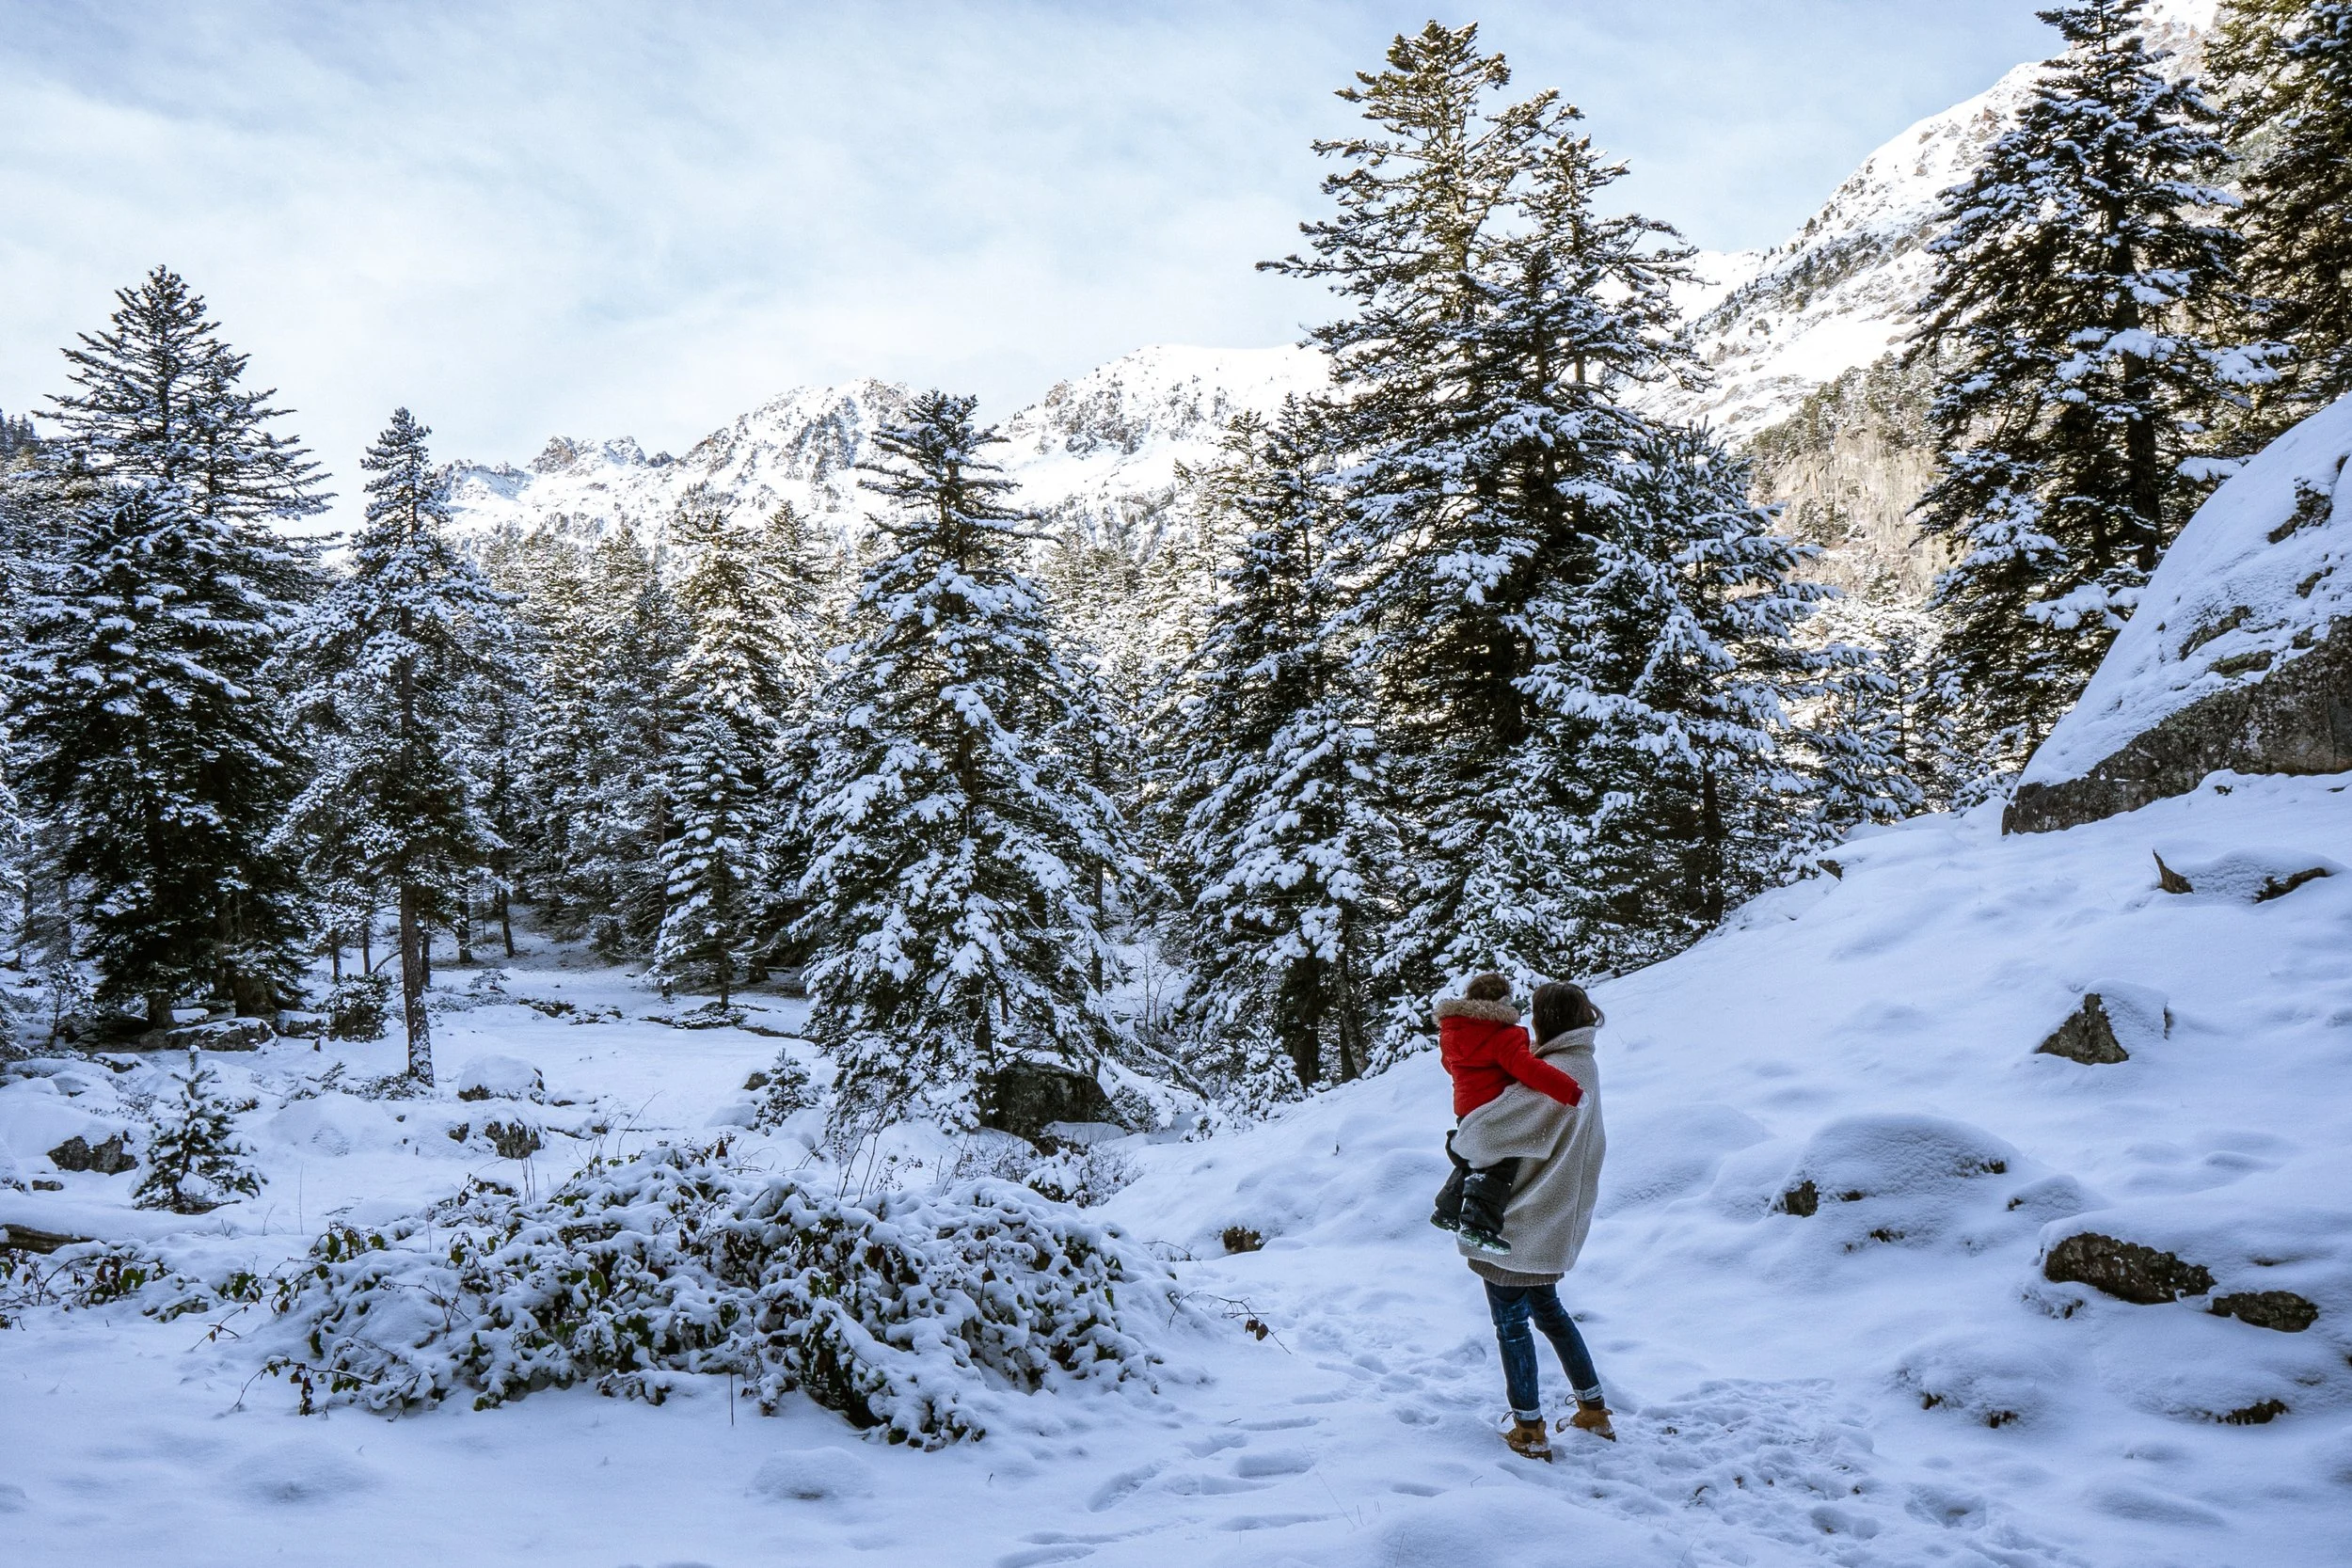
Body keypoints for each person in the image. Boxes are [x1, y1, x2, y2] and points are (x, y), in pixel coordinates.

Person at [1451, 979, 1613, 1462]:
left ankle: (1528, 1428)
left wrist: (1463, 1135)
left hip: (1523, 1223)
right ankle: (1593, 1409)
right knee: (1550, 1313)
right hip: (1557, 1221)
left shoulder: (1553, 1072)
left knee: (1511, 1325)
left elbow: (1480, 1136)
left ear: (1546, 1021)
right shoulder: (1584, 1062)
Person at [1430, 973, 1583, 1254]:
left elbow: (1449, 1066)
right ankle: (1479, 1226)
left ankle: (1447, 1209)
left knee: (1474, 1160)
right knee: (1499, 1166)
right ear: (1503, 1001)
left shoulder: (1453, 1032)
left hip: (1465, 1108)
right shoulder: (1503, 1035)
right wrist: (1570, 1092)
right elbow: (1528, 1069)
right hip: (1492, 1109)